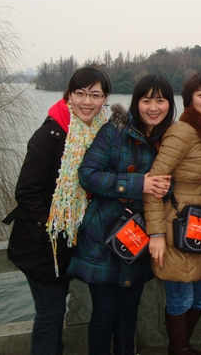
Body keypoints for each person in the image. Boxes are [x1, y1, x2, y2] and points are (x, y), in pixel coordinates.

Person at [4, 66, 111, 355]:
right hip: (42, 246)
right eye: (80, 93)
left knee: (59, 313)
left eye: (95, 95)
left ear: (104, 99)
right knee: (50, 315)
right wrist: (53, 228)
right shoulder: (50, 134)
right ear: (69, 96)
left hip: (73, 245)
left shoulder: (101, 134)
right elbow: (26, 192)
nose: (87, 102)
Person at [68, 75, 175, 355]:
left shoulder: (170, 140)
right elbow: (87, 175)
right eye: (147, 100)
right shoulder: (114, 131)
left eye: (160, 100)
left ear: (170, 104)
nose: (153, 108)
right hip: (104, 237)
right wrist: (138, 184)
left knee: (129, 315)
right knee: (104, 316)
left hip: (139, 238)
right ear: (136, 102)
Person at [144, 71, 201, 355]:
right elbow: (154, 184)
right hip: (175, 224)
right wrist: (156, 234)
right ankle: (179, 349)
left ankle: (181, 346)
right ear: (189, 99)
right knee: (180, 296)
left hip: (200, 225)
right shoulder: (182, 131)